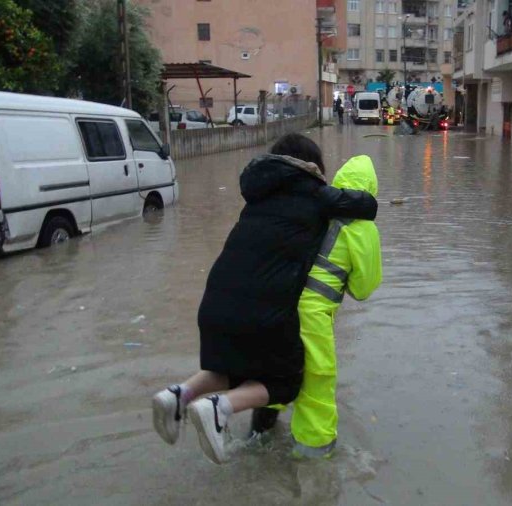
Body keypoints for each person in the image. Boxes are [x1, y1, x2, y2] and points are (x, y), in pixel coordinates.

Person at [151, 133, 378, 464]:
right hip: (279, 312)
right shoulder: (322, 201)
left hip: (218, 300)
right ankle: (231, 414)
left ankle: (181, 395)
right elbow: (364, 272)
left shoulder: (257, 199)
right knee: (290, 382)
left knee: (242, 369)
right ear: (312, 169)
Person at [250, 155, 383, 458]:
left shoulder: (313, 208)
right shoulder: (362, 229)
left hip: (277, 303)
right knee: (316, 384)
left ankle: (257, 441)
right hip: (311, 317)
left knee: (274, 373)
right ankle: (314, 463)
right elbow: (364, 288)